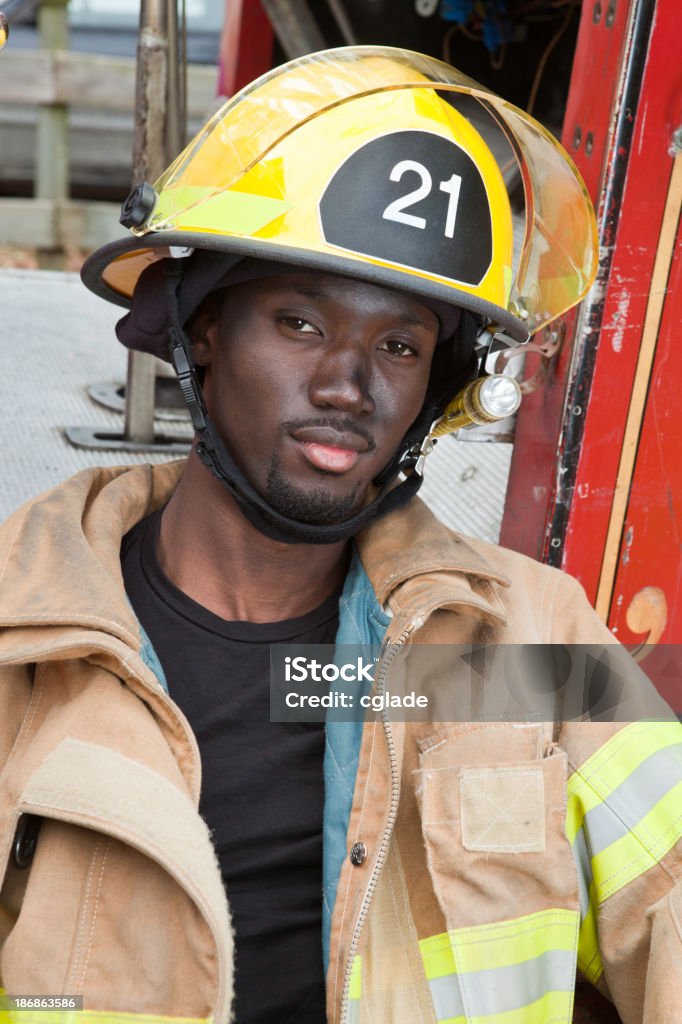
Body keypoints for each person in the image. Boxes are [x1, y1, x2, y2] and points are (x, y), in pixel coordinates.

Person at [1, 45, 680, 1024]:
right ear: (202, 329)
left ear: (433, 392)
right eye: (300, 323)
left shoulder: (529, 638)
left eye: (397, 345)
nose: (346, 387)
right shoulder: (28, 641)